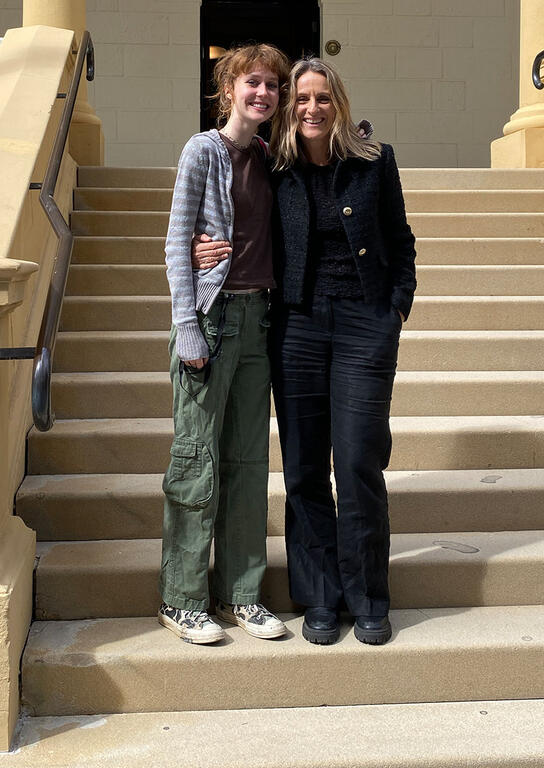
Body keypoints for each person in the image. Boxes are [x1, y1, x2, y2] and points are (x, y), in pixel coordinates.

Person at [193, 57, 416, 646]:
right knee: (304, 467)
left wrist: (395, 308)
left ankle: (368, 594)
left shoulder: (375, 162)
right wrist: (201, 247)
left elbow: (400, 240)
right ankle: (318, 596)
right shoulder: (277, 167)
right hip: (295, 328)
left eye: (322, 98)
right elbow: (236, 210)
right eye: (302, 99)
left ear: (337, 104)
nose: (311, 108)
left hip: (365, 325)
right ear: (291, 110)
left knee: (360, 459)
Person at [158, 43, 291, 644]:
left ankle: (243, 594)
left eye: (272, 85)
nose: (262, 93)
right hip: (212, 322)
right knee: (197, 460)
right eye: (252, 82)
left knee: (246, 461)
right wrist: (187, 325)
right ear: (228, 89)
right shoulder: (201, 151)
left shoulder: (272, 160)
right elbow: (176, 241)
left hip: (259, 320)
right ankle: (183, 597)